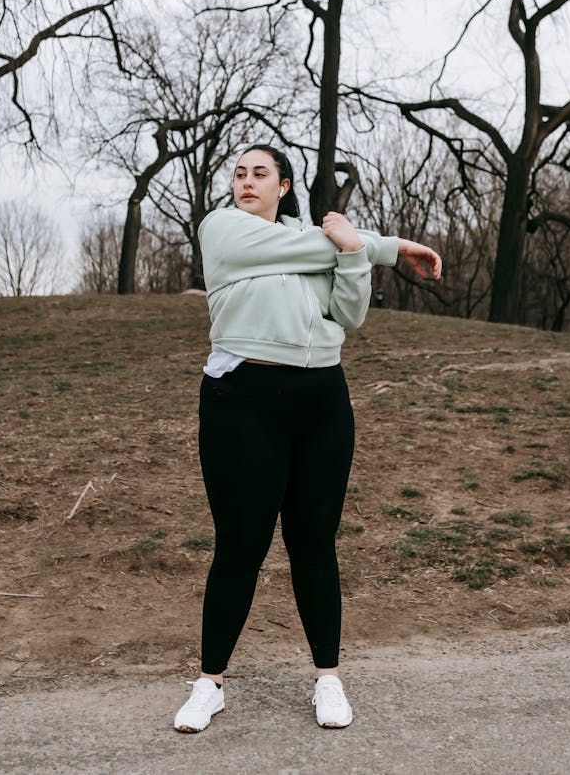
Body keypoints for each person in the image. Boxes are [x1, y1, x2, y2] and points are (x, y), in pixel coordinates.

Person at [173, 144, 442, 733]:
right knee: (241, 546)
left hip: (322, 403)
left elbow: (348, 315)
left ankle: (328, 678)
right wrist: (385, 247)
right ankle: (209, 683)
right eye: (239, 174)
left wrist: (354, 257)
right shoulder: (221, 230)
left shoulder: (316, 240)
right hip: (242, 405)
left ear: (284, 186)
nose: (246, 182)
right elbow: (311, 245)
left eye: (259, 174)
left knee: (315, 544)